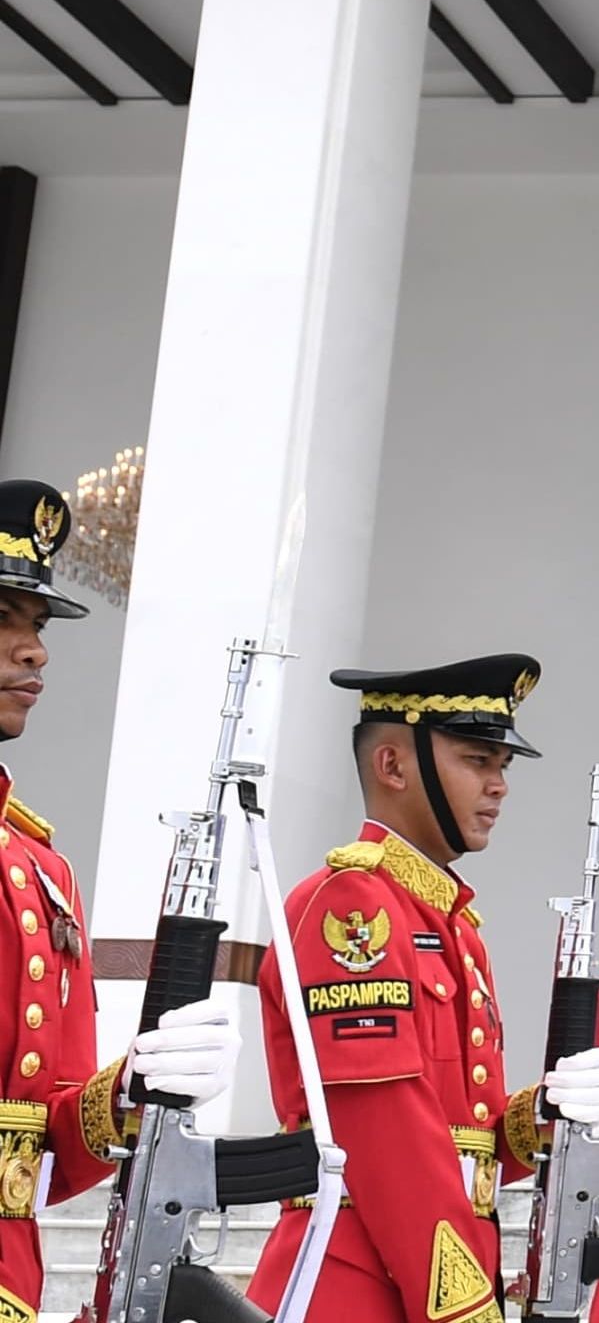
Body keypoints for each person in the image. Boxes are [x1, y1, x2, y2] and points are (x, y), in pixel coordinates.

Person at [261, 654, 599, 1323]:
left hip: (427, 1274)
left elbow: (462, 1135)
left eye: (502, 766)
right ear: (393, 766)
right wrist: (462, 1308)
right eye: (478, 760)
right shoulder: (353, 907)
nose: (499, 785)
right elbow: (384, 1132)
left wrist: (543, 1112)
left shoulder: (450, 923)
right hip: (357, 1283)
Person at [0, 480, 239, 1318]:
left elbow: (46, 1138)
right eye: (5, 619)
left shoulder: (38, 869)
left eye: (36, 625)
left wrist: (133, 1086)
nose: (36, 651)